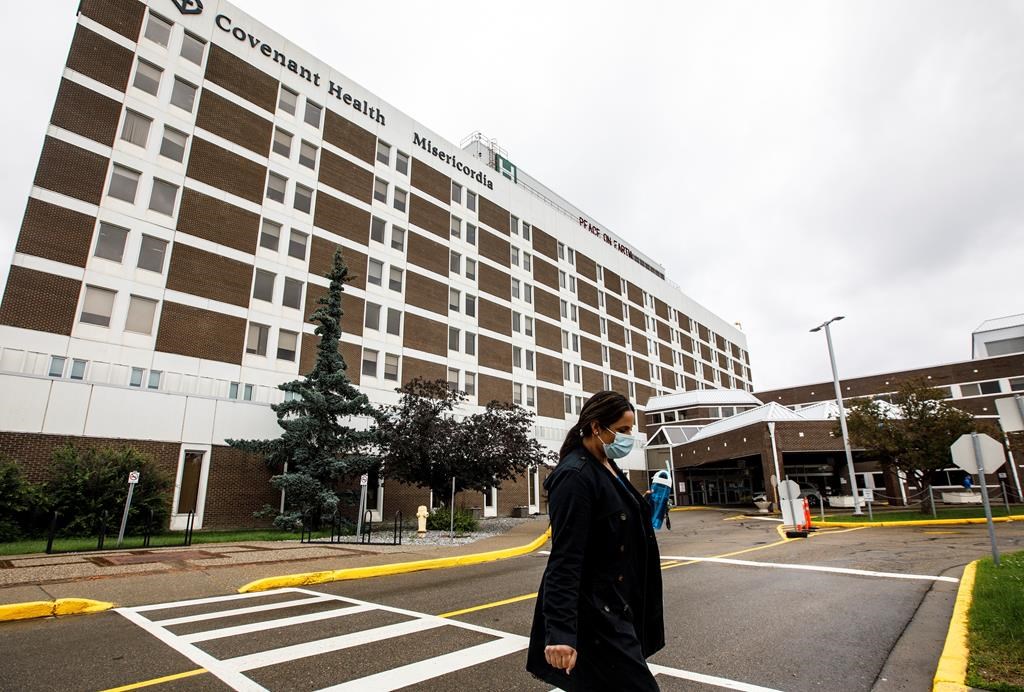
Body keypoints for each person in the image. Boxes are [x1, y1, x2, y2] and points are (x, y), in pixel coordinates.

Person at [526, 391, 665, 691]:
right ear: (595, 428)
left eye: (631, 429)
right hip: (596, 615)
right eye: (624, 430)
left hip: (618, 605)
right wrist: (561, 633)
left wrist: (641, 506)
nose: (630, 437)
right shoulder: (575, 476)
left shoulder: (606, 464)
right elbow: (565, 559)